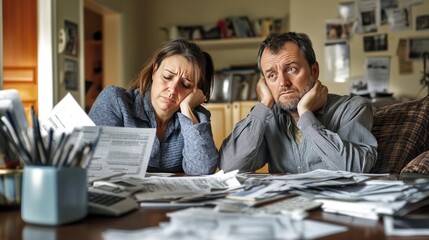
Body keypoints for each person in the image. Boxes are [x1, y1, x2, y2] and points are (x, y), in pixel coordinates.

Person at [219, 32, 378, 174]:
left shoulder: (351, 108)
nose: (283, 83)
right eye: (272, 75)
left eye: (291, 69)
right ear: (264, 82)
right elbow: (229, 167)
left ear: (314, 71)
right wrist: (264, 105)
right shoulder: (268, 118)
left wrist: (305, 114)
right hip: (284, 205)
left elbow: (354, 169)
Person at [89, 39, 219, 175]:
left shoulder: (195, 117)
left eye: (185, 84)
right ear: (154, 71)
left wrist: (187, 109)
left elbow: (203, 169)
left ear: (195, 90)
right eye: (167, 77)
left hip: (172, 196)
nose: (173, 89)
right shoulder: (115, 101)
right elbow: (94, 163)